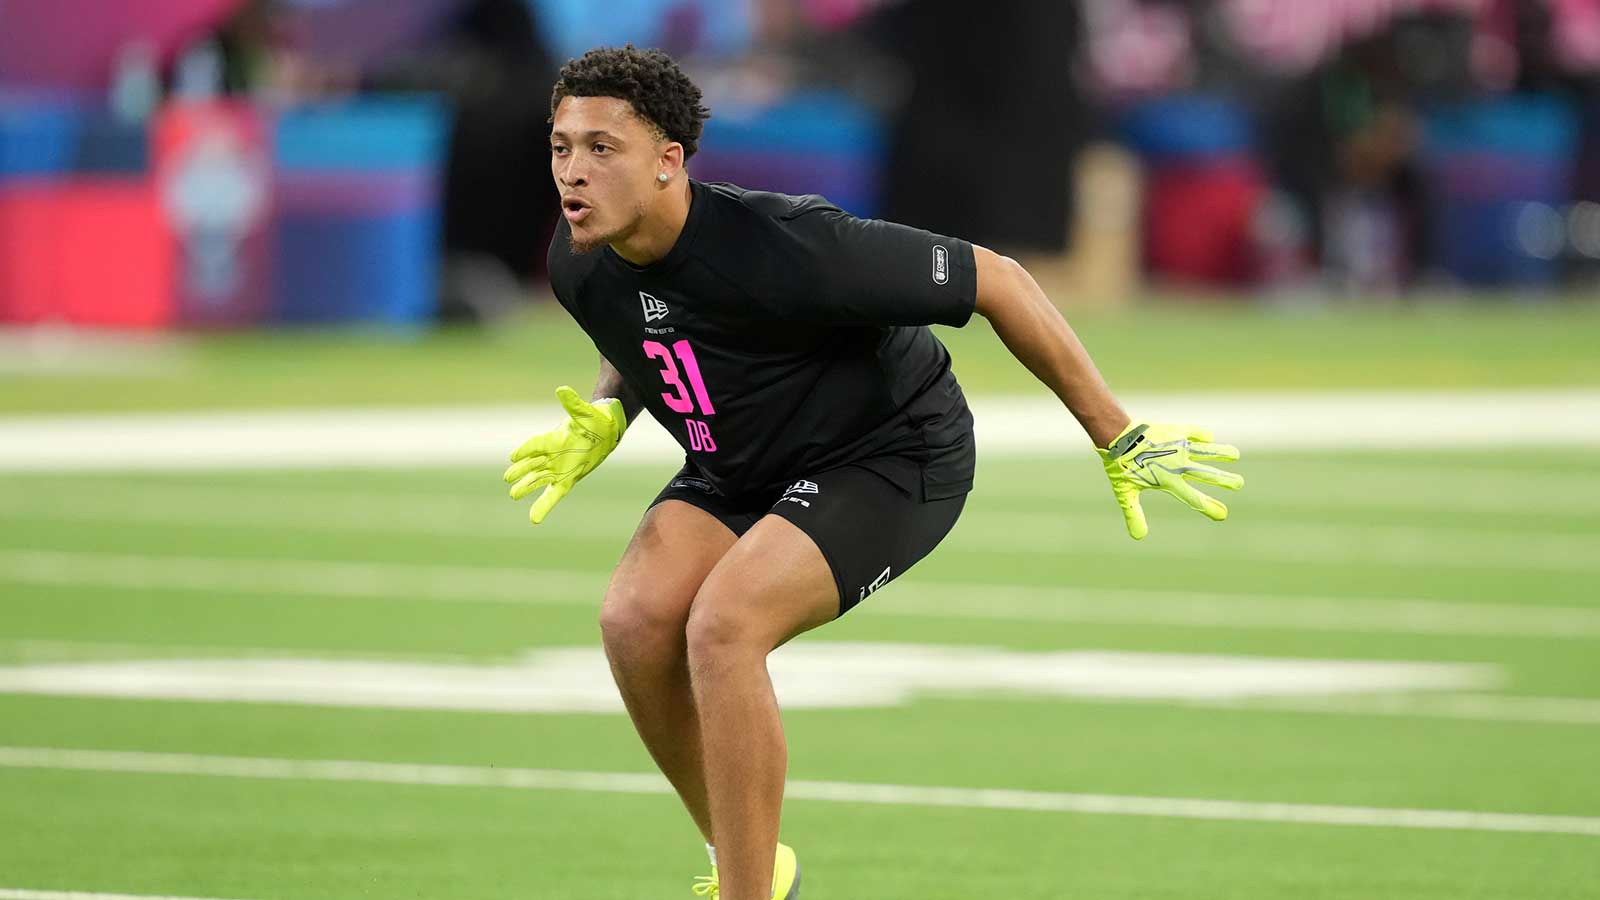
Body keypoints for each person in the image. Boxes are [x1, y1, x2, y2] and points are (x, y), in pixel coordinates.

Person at [503, 45, 1244, 900]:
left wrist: (1115, 433)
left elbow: (998, 281)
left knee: (722, 627)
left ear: (669, 161)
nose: (573, 171)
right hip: (740, 458)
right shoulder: (577, 260)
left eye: (602, 147)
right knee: (633, 622)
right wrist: (611, 407)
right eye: (562, 146)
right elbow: (651, 326)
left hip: (890, 453)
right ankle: (755, 862)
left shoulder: (786, 244)